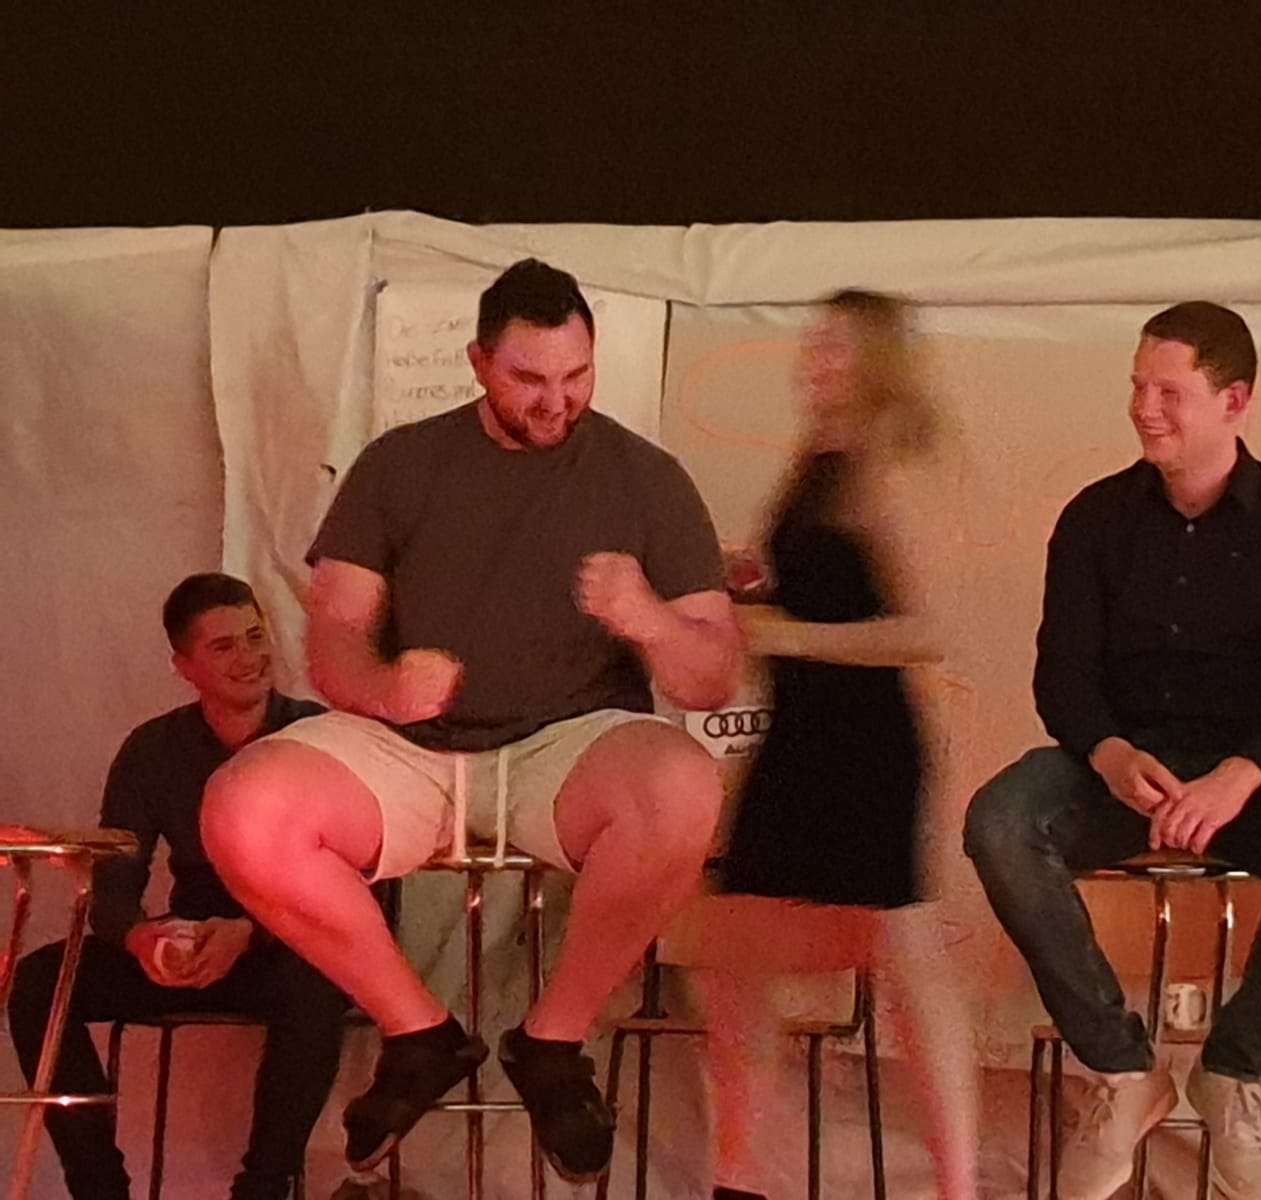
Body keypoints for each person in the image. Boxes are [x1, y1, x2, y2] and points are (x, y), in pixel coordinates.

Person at [199, 258, 740, 1183]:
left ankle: (553, 1043)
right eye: (529, 378)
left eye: (576, 376)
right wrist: (384, 686)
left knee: (685, 787)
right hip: (410, 747)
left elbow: (712, 678)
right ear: (479, 362)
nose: (555, 401)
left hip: (569, 749)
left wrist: (646, 616)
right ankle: (418, 1033)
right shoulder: (401, 462)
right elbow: (332, 640)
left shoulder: (647, 478)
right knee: (241, 808)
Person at [963, 302, 1261, 1200]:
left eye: (1168, 392)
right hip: (1123, 774)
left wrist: (1243, 773)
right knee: (999, 819)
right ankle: (1122, 1070)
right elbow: (1061, 675)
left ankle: (1235, 1069)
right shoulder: (1094, 518)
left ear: (1235, 401)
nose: (1143, 408)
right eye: (1136, 387)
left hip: (1258, 780)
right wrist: (1109, 753)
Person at [699, 290, 977, 1200]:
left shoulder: (890, 456)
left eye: (837, 348)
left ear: (879, 360)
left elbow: (925, 629)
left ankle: (959, 1186)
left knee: (910, 965)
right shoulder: (816, 453)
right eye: (814, 345)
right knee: (731, 952)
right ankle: (743, 1170)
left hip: (868, 744)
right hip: (796, 733)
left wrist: (786, 634)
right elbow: (825, 584)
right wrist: (751, 584)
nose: (814, 361)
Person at [7, 573, 344, 1200]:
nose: (249, 657)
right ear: (184, 666)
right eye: (223, 646)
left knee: (320, 979)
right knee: (37, 983)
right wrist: (143, 938)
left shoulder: (321, 737)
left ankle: (263, 1189)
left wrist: (250, 932)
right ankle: (98, 1188)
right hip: (192, 939)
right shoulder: (153, 749)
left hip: (290, 941)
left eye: (255, 636)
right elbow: (113, 887)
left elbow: (364, 888)